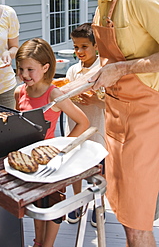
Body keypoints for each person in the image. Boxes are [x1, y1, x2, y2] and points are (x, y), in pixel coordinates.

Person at [49, 0, 159, 247]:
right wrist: (80, 83)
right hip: (116, 122)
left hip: (144, 122)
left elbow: (123, 66)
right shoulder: (102, 5)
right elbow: (109, 64)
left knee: (138, 223)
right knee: (124, 215)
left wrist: (121, 69)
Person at [15, 38, 90, 247]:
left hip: (51, 163)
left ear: (45, 67)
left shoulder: (53, 95)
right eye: (21, 69)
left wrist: (62, 149)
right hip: (29, 162)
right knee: (36, 203)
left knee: (53, 206)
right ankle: (38, 242)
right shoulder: (19, 91)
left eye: (31, 69)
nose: (24, 75)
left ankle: (48, 245)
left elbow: (83, 121)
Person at [64, 23, 105, 226]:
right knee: (75, 169)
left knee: (98, 170)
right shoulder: (72, 71)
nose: (79, 51)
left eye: (84, 46)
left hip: (97, 130)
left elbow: (110, 102)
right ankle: (77, 202)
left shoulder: (103, 70)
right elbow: (65, 93)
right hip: (75, 128)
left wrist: (96, 100)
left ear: (96, 46)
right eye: (76, 47)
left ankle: (100, 205)